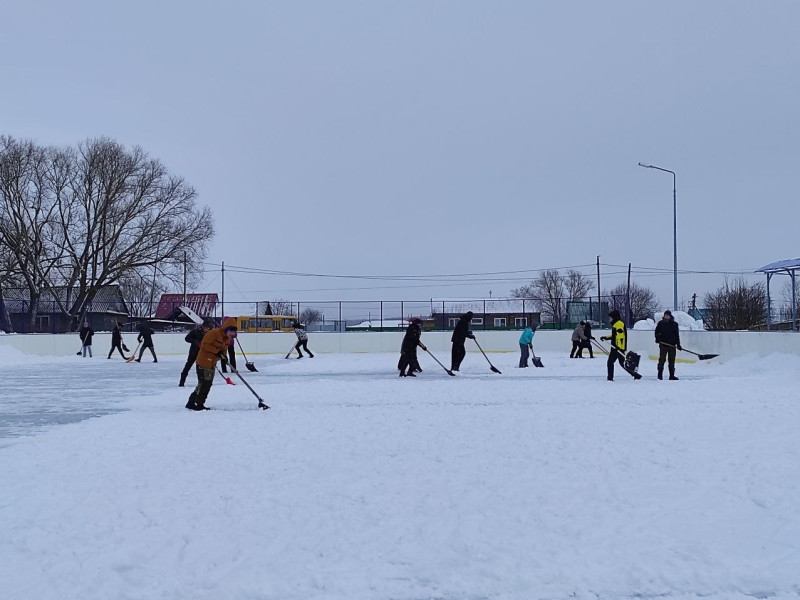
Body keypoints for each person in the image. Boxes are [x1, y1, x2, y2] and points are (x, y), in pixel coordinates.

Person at [186, 317, 238, 410]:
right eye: (232, 331)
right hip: (203, 362)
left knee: (203, 384)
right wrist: (216, 351)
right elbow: (205, 345)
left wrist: (224, 357)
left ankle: (191, 402)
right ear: (227, 329)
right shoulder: (213, 333)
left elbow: (223, 350)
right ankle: (199, 404)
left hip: (212, 363)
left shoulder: (227, 339)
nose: (233, 334)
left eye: (234, 332)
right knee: (205, 384)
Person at [600, 309, 641, 381]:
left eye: (610, 318)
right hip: (616, 347)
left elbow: (620, 337)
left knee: (619, 363)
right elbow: (615, 336)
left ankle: (611, 378)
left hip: (618, 348)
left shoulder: (619, 324)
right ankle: (634, 375)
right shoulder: (616, 324)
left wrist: (618, 347)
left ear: (614, 317)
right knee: (616, 362)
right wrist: (606, 337)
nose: (609, 319)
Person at [180, 319, 213, 387]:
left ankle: (201, 382)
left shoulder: (210, 334)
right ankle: (181, 382)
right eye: (205, 327)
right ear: (203, 326)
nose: (206, 329)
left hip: (203, 354)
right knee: (187, 367)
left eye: (208, 328)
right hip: (193, 352)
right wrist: (195, 342)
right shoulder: (195, 332)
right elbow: (187, 338)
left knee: (201, 369)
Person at [654, 310, 681, 380]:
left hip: (672, 345)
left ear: (670, 316)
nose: (666, 317)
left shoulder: (675, 324)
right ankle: (660, 375)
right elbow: (656, 332)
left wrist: (678, 344)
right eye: (665, 315)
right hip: (663, 345)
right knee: (662, 360)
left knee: (672, 361)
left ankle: (671, 375)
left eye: (667, 315)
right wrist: (657, 338)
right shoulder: (661, 323)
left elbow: (677, 335)